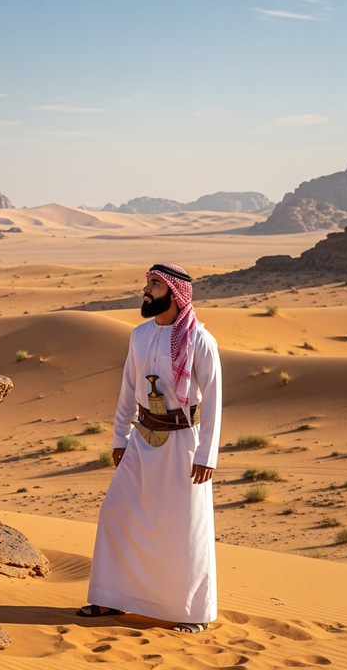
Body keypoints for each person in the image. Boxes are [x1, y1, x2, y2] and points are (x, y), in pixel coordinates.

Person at [77, 263, 222, 633]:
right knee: (116, 514)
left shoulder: (200, 340)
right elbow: (127, 389)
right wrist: (119, 437)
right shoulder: (139, 335)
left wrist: (207, 455)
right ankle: (112, 599)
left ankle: (193, 612)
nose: (146, 290)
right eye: (147, 283)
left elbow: (215, 400)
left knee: (184, 528)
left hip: (184, 444)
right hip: (142, 440)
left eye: (154, 284)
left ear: (175, 293)